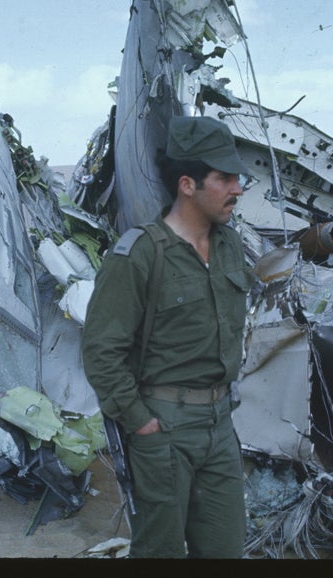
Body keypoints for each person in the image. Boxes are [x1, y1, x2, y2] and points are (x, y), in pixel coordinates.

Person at [81, 115, 254, 558]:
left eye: (238, 178)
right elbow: (102, 353)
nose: (237, 188)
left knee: (224, 551)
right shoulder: (139, 255)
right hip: (163, 428)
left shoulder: (230, 246)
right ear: (187, 184)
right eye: (225, 178)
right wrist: (142, 423)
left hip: (220, 426)